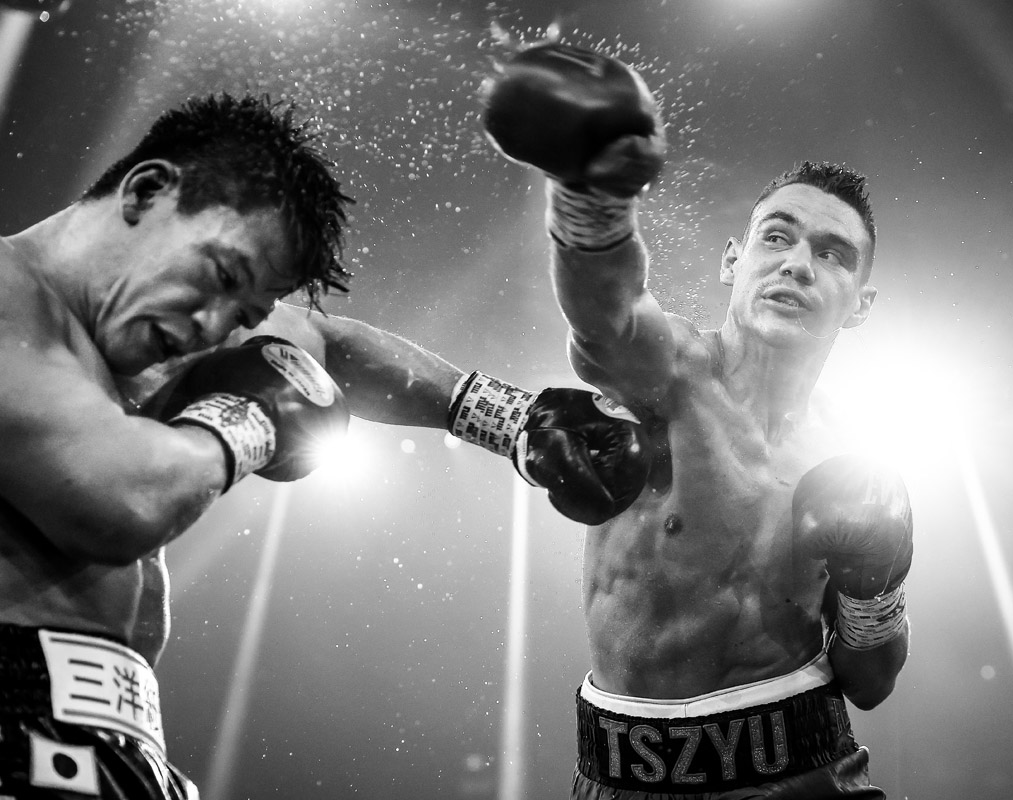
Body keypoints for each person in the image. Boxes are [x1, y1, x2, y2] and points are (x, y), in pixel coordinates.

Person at [0, 91, 649, 799]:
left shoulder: (147, 329)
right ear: (149, 189)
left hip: (120, 742)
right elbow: (119, 501)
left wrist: (517, 422)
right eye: (222, 277)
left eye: (242, 313)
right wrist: (250, 416)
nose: (215, 326)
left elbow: (323, 342)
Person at [481, 43, 914, 798]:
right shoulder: (671, 373)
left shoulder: (855, 456)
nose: (797, 265)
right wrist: (592, 193)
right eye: (776, 237)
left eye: (833, 254)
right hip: (623, 774)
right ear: (731, 260)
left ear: (862, 305)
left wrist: (876, 591)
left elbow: (870, 683)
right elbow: (605, 314)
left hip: (804, 769)